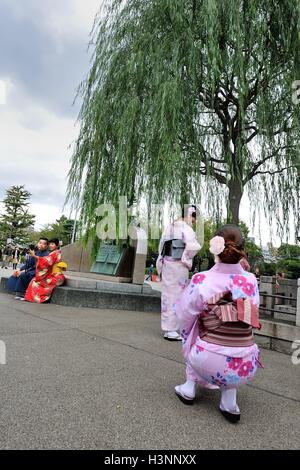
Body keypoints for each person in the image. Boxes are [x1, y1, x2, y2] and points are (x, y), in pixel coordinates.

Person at [175, 224, 262, 423]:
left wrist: (190, 332)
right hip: (246, 366)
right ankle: (229, 401)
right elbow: (253, 310)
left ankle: (190, 386)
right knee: (237, 326)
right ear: (242, 251)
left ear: (215, 250)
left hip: (206, 360)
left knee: (191, 327)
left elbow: (184, 315)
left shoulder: (201, 279)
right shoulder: (250, 280)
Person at [156, 205, 201, 341]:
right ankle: (171, 330)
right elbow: (192, 247)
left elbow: (161, 246)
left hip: (167, 263)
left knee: (168, 296)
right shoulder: (186, 228)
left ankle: (169, 329)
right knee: (177, 296)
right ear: (190, 216)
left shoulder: (170, 227)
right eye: (193, 220)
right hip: (178, 265)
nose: (193, 223)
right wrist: (186, 258)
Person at [25, 238, 67, 303]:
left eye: (52, 244)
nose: (50, 245)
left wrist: (34, 256)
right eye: (50, 244)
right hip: (53, 275)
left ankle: (40, 298)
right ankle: (32, 298)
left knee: (37, 282)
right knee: (34, 280)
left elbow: (46, 261)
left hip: (57, 277)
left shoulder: (55, 253)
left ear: (57, 245)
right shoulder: (55, 252)